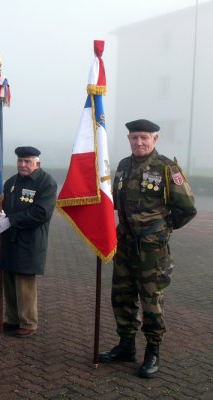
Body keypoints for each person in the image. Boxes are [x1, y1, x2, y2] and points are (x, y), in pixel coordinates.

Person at [98, 119, 197, 379]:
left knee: (151, 303)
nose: (139, 142)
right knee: (121, 298)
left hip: (152, 252)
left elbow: (187, 208)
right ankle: (126, 346)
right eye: (134, 138)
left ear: (155, 139)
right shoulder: (122, 166)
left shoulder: (166, 167)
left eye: (144, 138)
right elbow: (114, 203)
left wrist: (162, 231)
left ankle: (153, 351)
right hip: (125, 247)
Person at [0, 146, 57, 338]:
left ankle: (28, 322)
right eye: (20, 161)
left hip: (29, 239)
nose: (22, 165)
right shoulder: (12, 181)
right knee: (9, 278)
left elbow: (41, 213)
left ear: (38, 163)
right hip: (9, 237)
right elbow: (5, 205)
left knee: (24, 281)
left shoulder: (46, 183)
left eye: (27, 161)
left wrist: (11, 220)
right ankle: (13, 319)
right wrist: (1, 216)